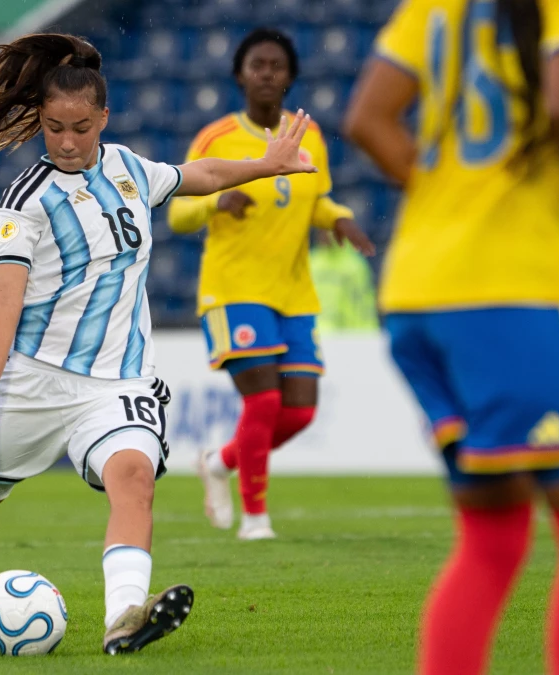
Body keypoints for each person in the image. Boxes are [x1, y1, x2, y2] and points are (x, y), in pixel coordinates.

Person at [0, 33, 318, 655]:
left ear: (103, 117)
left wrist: (268, 163)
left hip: (119, 381)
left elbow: (200, 175)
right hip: (35, 378)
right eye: (53, 129)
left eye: (80, 128)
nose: (67, 143)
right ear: (40, 121)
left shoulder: (129, 168)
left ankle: (124, 616)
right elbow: (3, 299)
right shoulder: (26, 201)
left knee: (134, 476)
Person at [343, 0, 559, 673]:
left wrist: (450, 199)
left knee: (493, 540)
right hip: (516, 293)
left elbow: (367, 117)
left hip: (416, 294)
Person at [167, 28, 376, 540]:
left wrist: (339, 217)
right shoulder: (217, 138)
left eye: (276, 65)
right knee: (263, 403)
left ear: (290, 76)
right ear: (239, 75)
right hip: (234, 289)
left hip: (293, 292)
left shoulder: (311, 135)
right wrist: (217, 200)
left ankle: (220, 461)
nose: (266, 73)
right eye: (256, 64)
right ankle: (255, 518)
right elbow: (177, 214)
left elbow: (314, 198)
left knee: (299, 411)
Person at [308, 229, 379, 335]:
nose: (324, 236)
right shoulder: (312, 261)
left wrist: (367, 333)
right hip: (316, 332)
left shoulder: (354, 265)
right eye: (322, 231)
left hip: (349, 334)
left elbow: (363, 304)